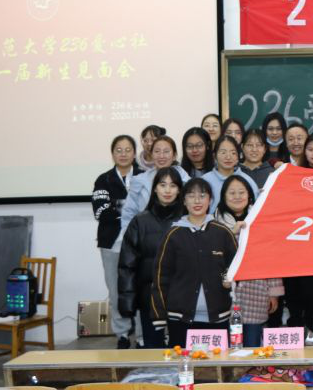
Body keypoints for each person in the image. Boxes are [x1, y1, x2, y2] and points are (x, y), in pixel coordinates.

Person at [151, 178, 237, 348]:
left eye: (202, 196)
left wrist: (226, 278)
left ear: (210, 200)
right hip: (180, 318)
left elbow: (233, 267)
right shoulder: (173, 234)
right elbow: (161, 277)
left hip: (218, 317)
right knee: (182, 363)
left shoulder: (223, 232)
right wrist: (159, 315)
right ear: (184, 201)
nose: (197, 201)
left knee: (217, 363)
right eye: (191, 196)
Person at [118, 167, 184, 348]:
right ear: (154, 188)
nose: (167, 190)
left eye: (173, 185)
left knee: (181, 351)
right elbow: (127, 266)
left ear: (179, 190)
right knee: (153, 351)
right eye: (162, 185)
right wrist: (127, 303)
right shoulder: (139, 221)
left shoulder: (187, 220)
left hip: (182, 299)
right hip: (149, 298)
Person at [213, 175, 284, 343]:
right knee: (226, 348)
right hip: (223, 295)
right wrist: (231, 233)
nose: (237, 196)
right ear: (223, 196)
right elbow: (212, 260)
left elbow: (271, 259)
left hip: (256, 293)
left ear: (249, 196)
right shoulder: (214, 224)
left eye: (241, 192)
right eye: (232, 193)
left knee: (252, 346)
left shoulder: (261, 221)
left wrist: (273, 294)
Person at [92, 134, 142, 348]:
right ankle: (122, 334)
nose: (123, 154)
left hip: (139, 244)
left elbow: (148, 209)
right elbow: (100, 212)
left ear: (134, 153)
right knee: (115, 292)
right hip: (111, 244)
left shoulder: (143, 176)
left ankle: (141, 336)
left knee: (140, 290)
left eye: (128, 149)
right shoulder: (103, 179)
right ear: (112, 154)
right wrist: (129, 208)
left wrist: (117, 205)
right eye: (118, 150)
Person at [121, 135, 191, 234]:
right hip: (146, 235)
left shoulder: (186, 182)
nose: (161, 156)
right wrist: (130, 236)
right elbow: (128, 213)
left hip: (179, 235)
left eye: (166, 151)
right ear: (151, 155)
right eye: (157, 151)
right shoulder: (139, 181)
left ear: (174, 155)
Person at [201, 135, 256, 211]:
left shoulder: (247, 180)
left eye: (233, 153)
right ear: (214, 156)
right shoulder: (205, 180)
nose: (228, 157)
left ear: (238, 157)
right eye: (223, 152)